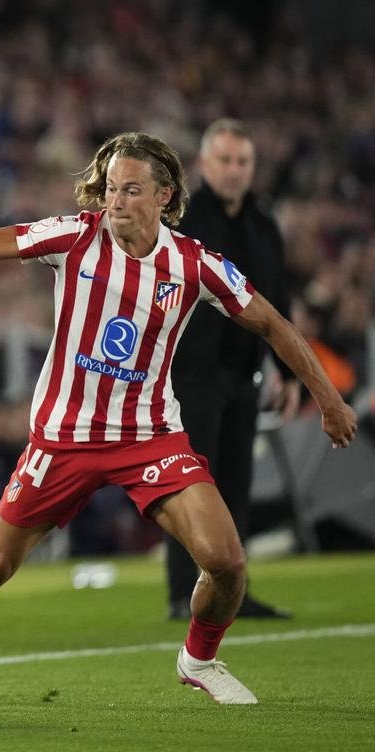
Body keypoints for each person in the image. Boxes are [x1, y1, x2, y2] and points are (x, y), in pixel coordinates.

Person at [0, 131, 356, 706]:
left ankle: (200, 659)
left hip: (149, 437)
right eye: (110, 189)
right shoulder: (75, 236)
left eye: (131, 190)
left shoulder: (193, 264)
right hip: (63, 439)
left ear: (164, 196)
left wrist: (328, 400)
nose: (115, 201)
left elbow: (273, 323)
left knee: (227, 563)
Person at [166, 118, 297, 620]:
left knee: (236, 485)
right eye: (224, 159)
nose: (234, 170)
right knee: (190, 485)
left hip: (244, 375)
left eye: (242, 161)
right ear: (204, 163)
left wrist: (285, 370)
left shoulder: (263, 225)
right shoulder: (181, 220)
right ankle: (184, 592)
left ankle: (231, 592)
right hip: (191, 375)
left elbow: (277, 301)